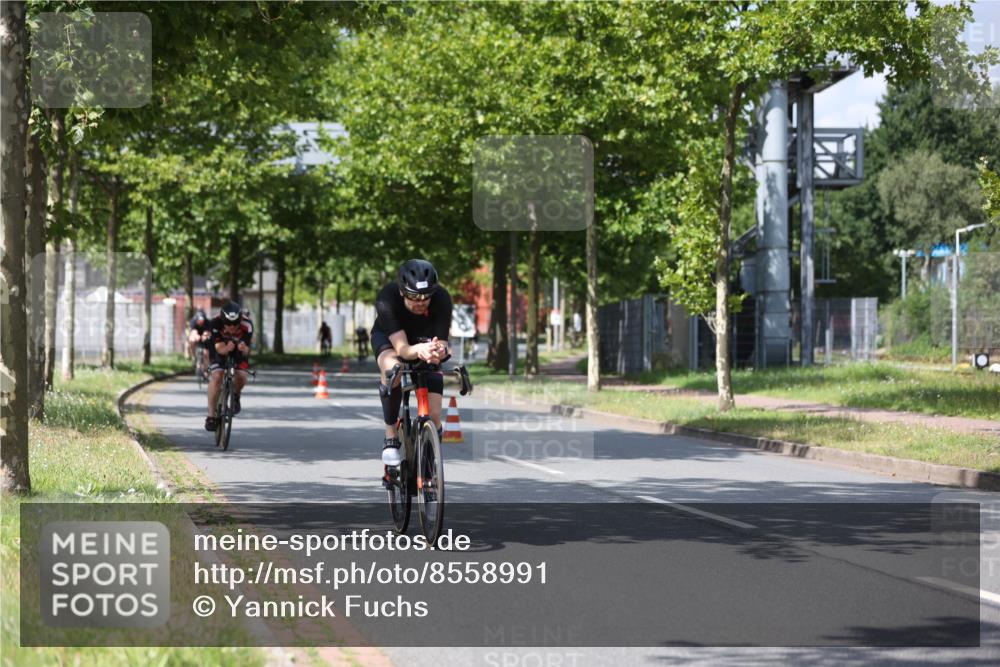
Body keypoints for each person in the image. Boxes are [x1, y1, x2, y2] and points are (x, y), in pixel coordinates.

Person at [372, 259, 452, 466]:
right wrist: (418, 351)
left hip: (424, 339)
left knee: (434, 416)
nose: (421, 302)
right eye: (414, 298)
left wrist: (439, 351)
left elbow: (442, 343)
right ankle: (390, 435)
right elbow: (403, 350)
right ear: (401, 292)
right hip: (392, 339)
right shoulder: (386, 300)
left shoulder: (442, 298)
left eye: (426, 298)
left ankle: (428, 462)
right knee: (393, 368)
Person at [204, 301, 253, 432]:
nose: (231, 327)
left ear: (240, 320)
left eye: (235, 324)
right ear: (222, 320)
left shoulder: (247, 325)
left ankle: (236, 395)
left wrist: (243, 348)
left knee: (242, 376)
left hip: (238, 349)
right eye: (228, 324)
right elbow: (219, 348)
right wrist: (227, 348)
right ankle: (210, 415)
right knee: (217, 376)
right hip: (219, 347)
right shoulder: (214, 323)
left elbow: (248, 350)